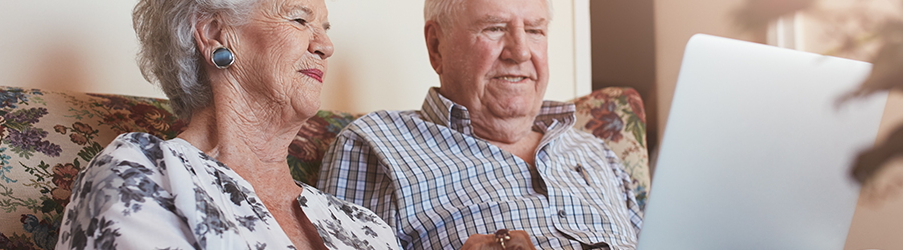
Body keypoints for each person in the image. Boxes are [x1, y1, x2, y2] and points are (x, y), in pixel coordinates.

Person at [55, 0, 399, 249]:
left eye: (324, 28)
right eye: (298, 20)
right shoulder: (141, 172)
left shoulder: (365, 225)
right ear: (214, 34)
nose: (326, 46)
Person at [317, 0, 642, 249]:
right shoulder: (376, 145)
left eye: (535, 31)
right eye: (495, 28)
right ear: (436, 46)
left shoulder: (593, 150)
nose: (520, 51)